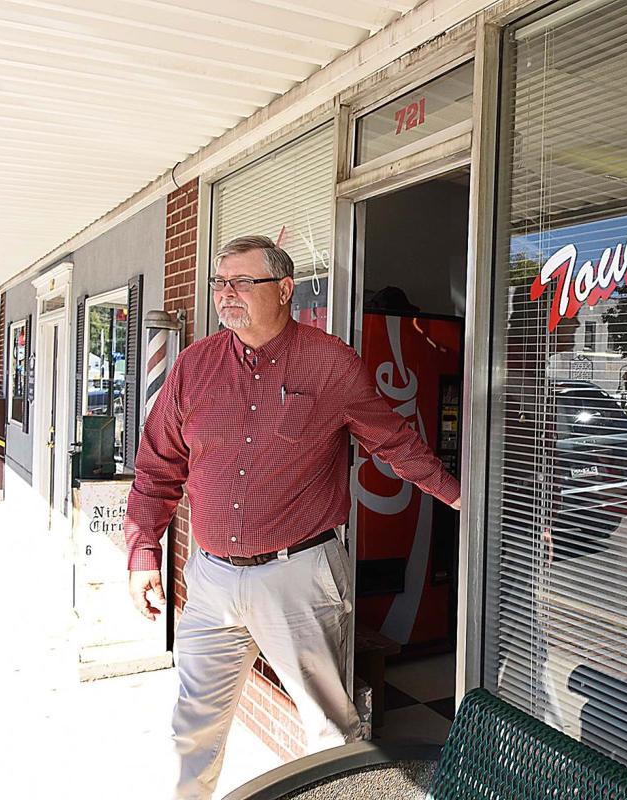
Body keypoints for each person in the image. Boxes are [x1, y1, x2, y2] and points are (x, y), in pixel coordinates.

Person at [124, 235, 461, 800]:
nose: (226, 294)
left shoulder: (331, 363)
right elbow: (158, 464)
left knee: (331, 733)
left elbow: (394, 442)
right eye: (219, 282)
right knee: (193, 729)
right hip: (209, 579)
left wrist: (462, 501)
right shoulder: (193, 367)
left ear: (284, 290)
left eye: (241, 282)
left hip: (300, 575)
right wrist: (142, 550)